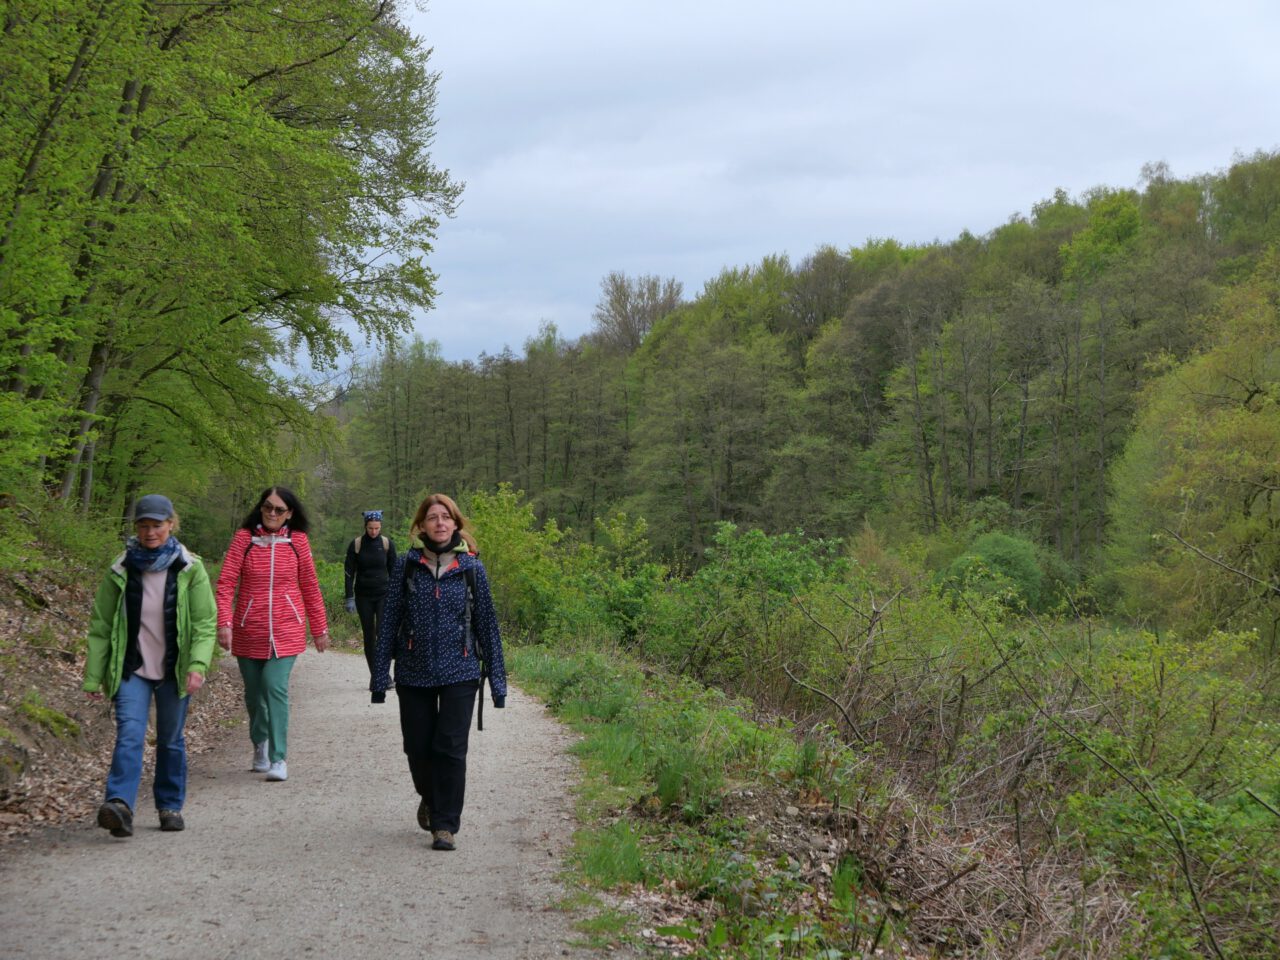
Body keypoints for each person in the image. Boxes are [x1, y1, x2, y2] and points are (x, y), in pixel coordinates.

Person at [371, 493, 507, 851]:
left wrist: (498, 683)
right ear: (421, 526)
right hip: (414, 671)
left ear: (456, 524)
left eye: (445, 517)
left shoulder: (471, 569)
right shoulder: (406, 565)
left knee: (450, 747)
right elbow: (389, 623)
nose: (440, 523)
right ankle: (430, 798)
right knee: (417, 748)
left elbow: (488, 626)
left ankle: (444, 824)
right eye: (432, 517)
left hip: (460, 670)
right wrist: (379, 677)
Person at [83, 494, 218, 837]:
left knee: (170, 739)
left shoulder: (190, 568)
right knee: (129, 735)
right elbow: (100, 626)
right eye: (143, 525)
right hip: (132, 668)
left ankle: (169, 805)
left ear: (171, 525)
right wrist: (93, 677)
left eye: (157, 525)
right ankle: (120, 805)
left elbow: (204, 623)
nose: (150, 532)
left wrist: (198, 664)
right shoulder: (120, 569)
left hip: (175, 669)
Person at [215, 485, 329, 783]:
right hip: (248, 628)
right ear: (260, 507)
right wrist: (224, 622)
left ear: (289, 514)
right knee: (254, 695)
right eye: (268, 507)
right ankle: (260, 743)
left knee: (273, 685)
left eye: (279, 509)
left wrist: (319, 628)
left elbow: (310, 586)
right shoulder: (244, 539)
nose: (272, 513)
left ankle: (279, 758)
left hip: (287, 628)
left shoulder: (298, 541)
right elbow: (226, 582)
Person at [343, 509, 397, 677]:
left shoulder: (387, 544)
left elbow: (394, 572)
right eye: (370, 528)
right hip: (363, 596)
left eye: (377, 528)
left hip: (384, 594)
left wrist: (397, 596)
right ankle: (377, 675)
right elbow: (349, 573)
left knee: (383, 633)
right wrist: (349, 597)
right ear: (365, 526)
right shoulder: (357, 544)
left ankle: (383, 673)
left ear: (381, 527)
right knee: (369, 634)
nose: (374, 532)